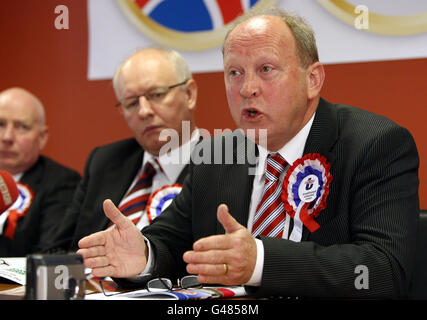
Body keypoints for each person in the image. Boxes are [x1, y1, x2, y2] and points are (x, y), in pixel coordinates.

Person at [77, 9, 419, 298]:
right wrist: (144, 255)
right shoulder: (217, 155)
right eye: (234, 73)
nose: (247, 88)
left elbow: (385, 268)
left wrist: (260, 262)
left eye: (266, 70)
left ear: (312, 80)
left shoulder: (375, 144)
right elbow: (172, 245)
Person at [49, 47, 200, 252]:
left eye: (156, 95)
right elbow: (57, 249)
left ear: (189, 94)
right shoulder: (104, 161)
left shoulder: (220, 166)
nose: (144, 111)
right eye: (131, 103)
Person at [0, 87, 81, 257]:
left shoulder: (62, 183)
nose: (7, 137)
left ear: (42, 137)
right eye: (0, 124)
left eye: (21, 127)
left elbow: (48, 253)